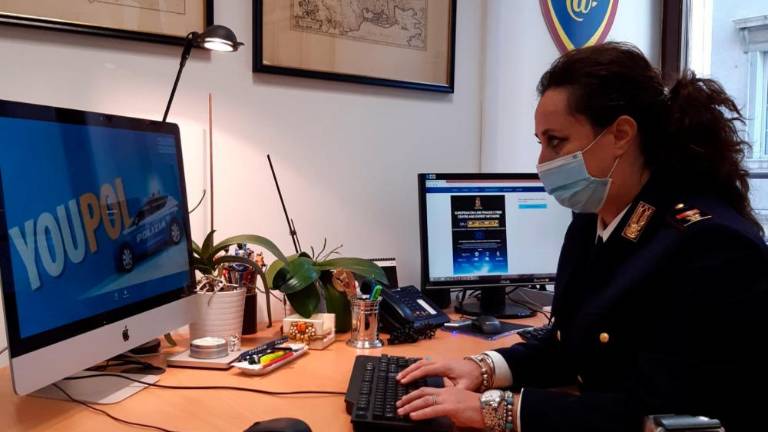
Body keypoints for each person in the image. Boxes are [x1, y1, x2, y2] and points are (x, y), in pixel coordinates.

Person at [395, 42, 768, 432]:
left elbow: (655, 412)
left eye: (556, 141)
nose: (542, 163)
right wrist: (484, 367)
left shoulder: (708, 246)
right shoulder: (592, 220)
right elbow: (572, 344)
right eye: (540, 142)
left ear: (621, 134)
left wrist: (496, 410)